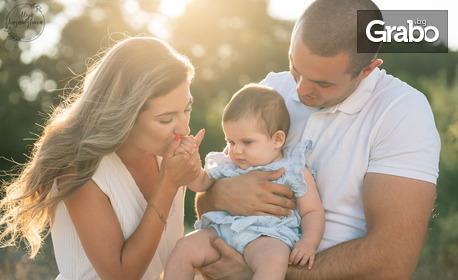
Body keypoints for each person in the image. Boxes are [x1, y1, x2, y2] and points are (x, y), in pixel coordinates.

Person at [195, 0, 441, 279]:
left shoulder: (401, 111)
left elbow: (392, 259)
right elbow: (204, 202)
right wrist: (219, 194)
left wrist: (262, 267)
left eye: (322, 84)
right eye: (295, 68)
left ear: (366, 71)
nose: (299, 91)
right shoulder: (273, 89)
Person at [0, 37, 205, 280]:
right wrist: (168, 185)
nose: (183, 128)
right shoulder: (79, 168)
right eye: (166, 119)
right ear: (125, 115)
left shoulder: (165, 155)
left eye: (186, 109)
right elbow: (120, 275)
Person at [164, 84, 324, 280]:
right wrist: (191, 162)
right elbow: (199, 184)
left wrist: (308, 242)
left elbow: (312, 211)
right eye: (231, 142)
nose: (236, 150)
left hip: (267, 236)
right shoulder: (229, 163)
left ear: (277, 140)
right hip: (222, 232)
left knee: (273, 262)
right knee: (183, 247)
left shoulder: (294, 169)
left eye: (247, 142)